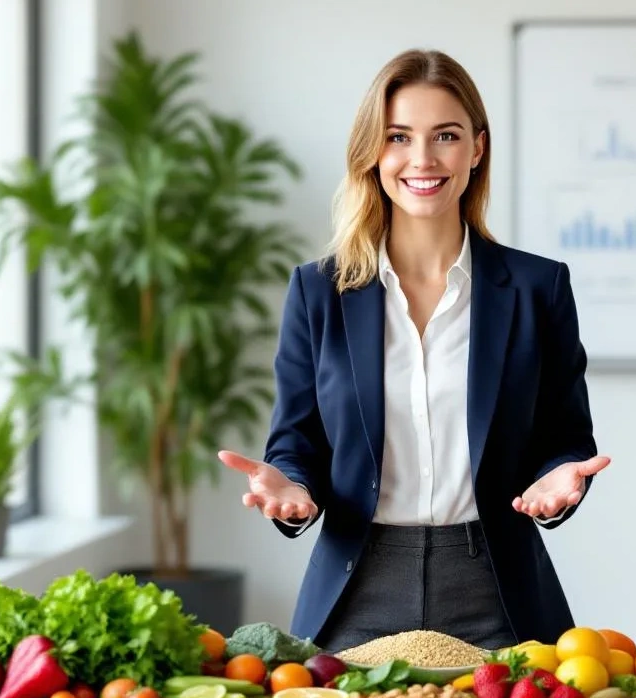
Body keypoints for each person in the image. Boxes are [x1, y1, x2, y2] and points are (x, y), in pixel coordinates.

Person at [218, 48, 609, 653]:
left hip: (498, 595)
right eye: (399, 136)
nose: (422, 159)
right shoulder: (319, 291)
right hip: (355, 592)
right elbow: (295, 442)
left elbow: (564, 437)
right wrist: (291, 491)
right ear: (373, 151)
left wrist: (559, 479)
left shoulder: (538, 288)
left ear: (477, 148)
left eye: (445, 136)